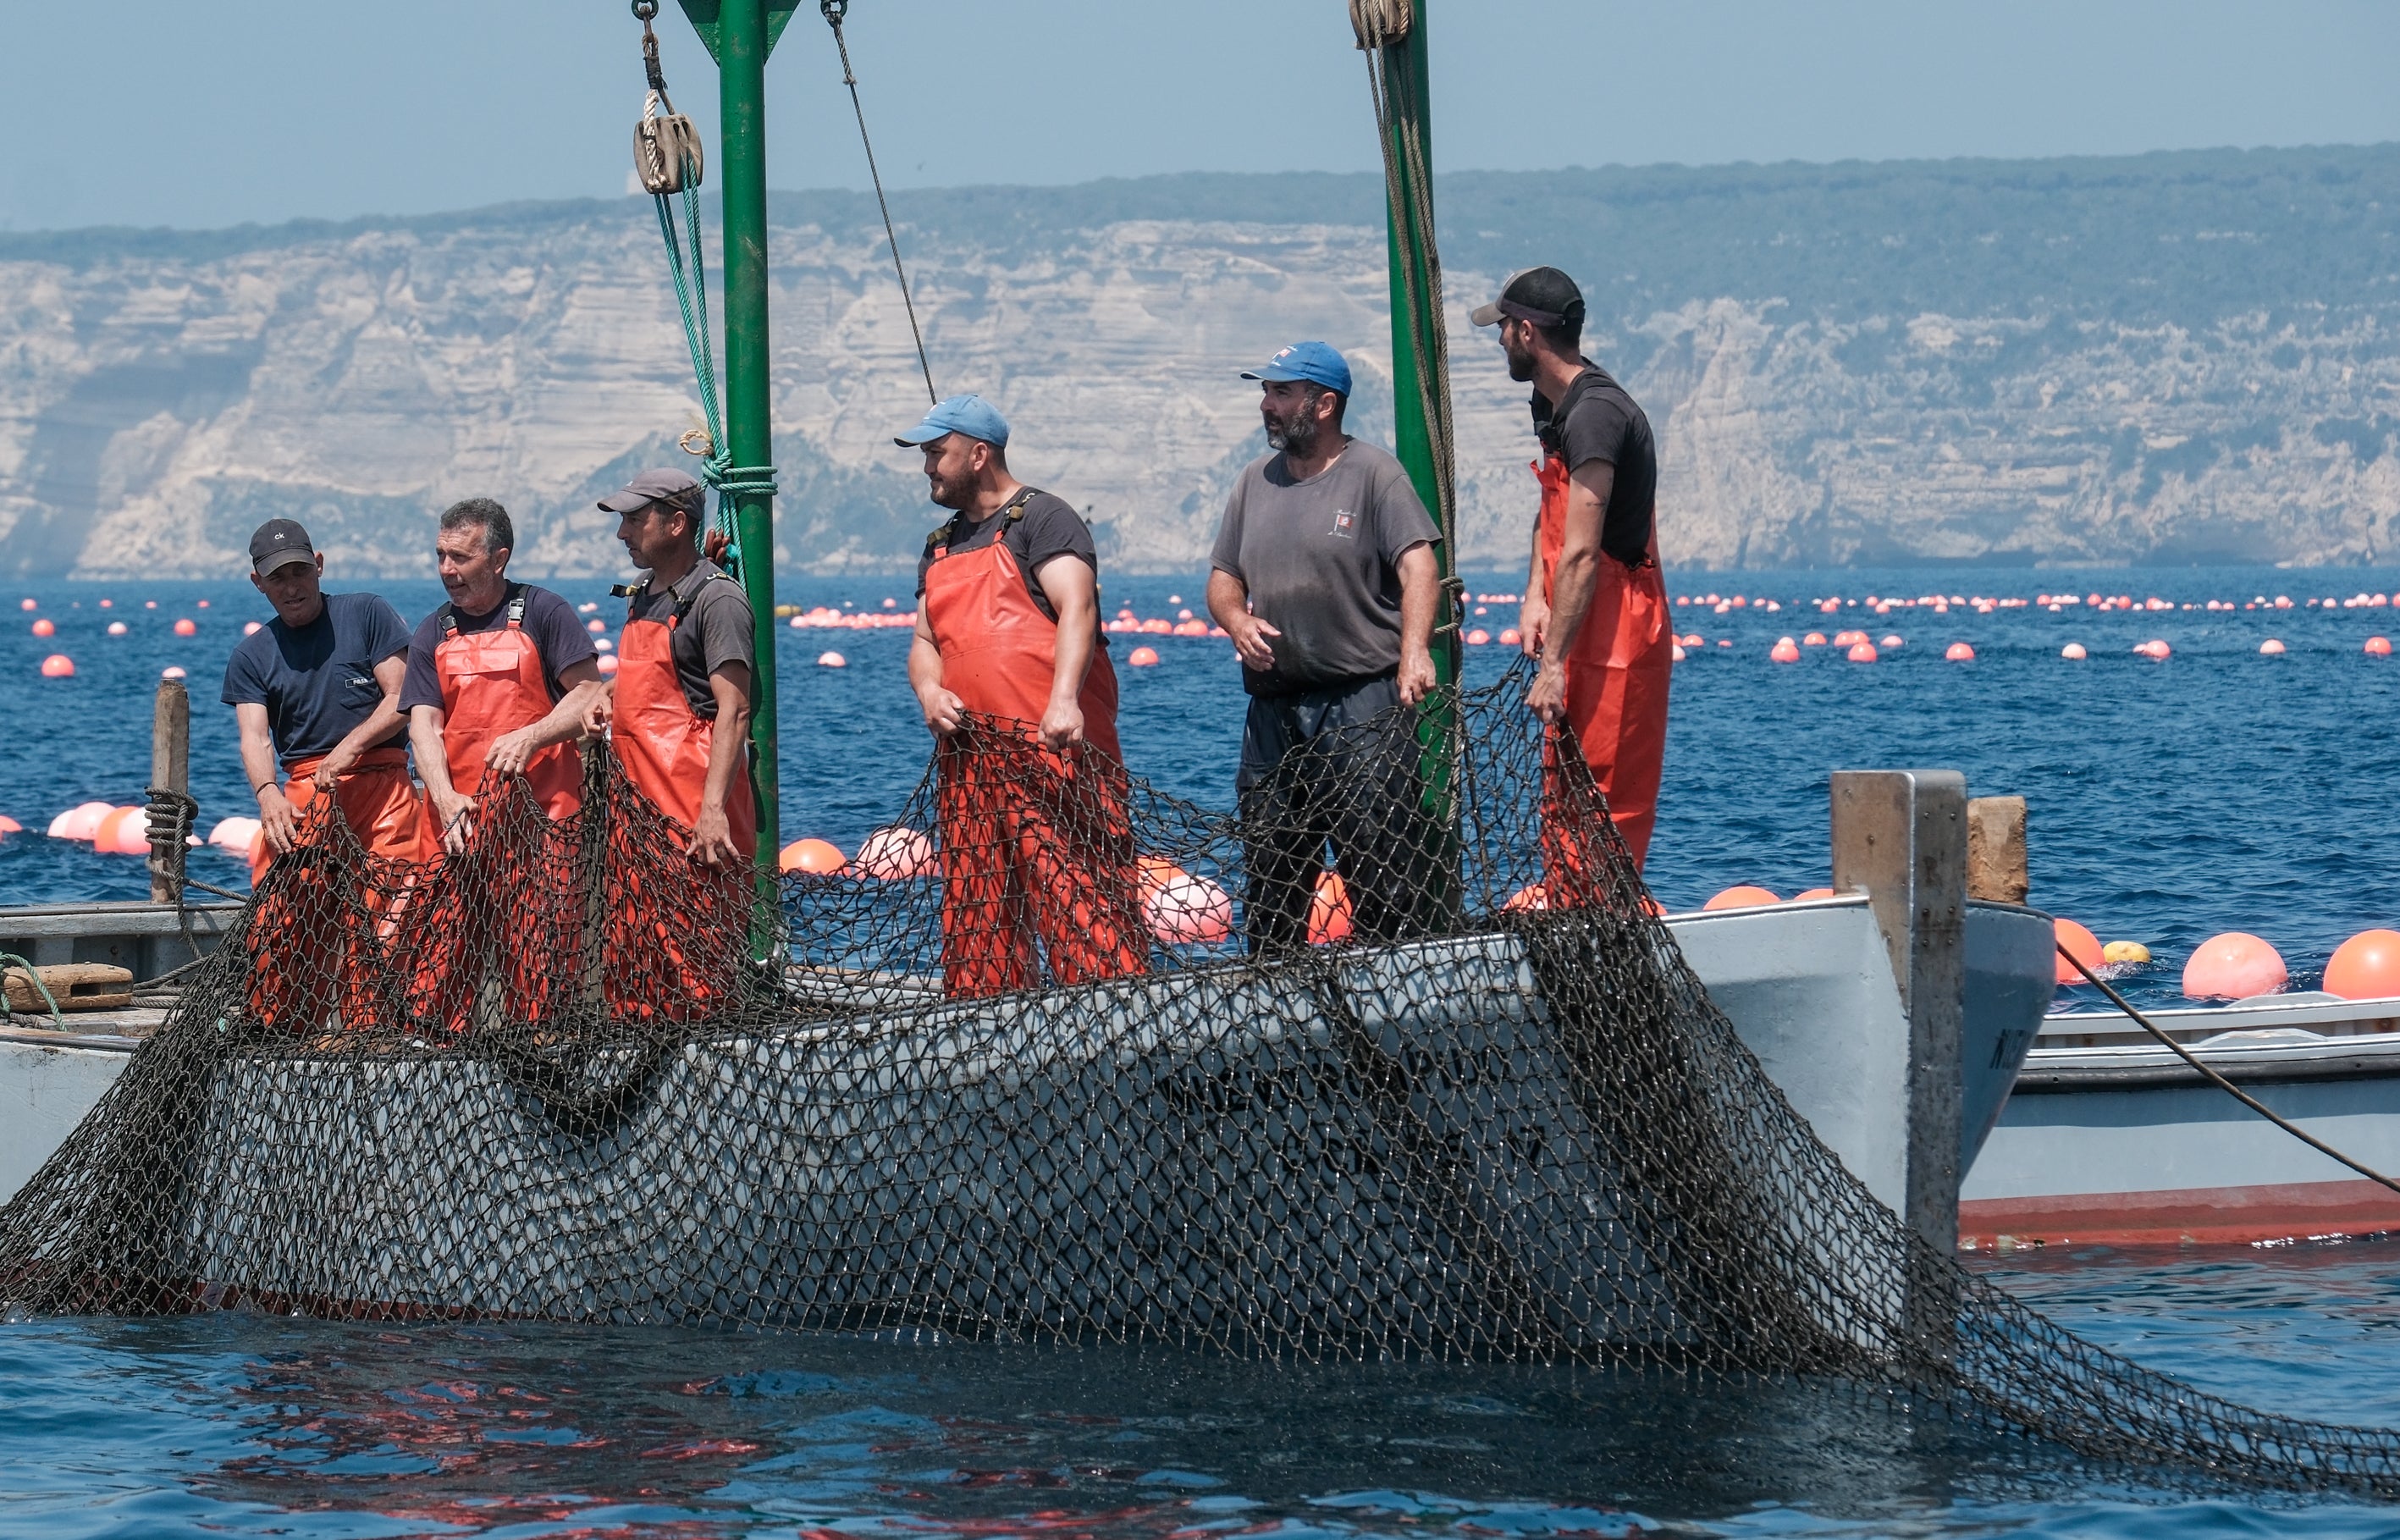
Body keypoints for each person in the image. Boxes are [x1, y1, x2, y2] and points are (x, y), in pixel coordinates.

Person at [901, 394, 1146, 999]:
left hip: (1054, 759)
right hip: (969, 770)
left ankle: (1115, 1022)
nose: (928, 466)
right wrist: (929, 690)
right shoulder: (939, 543)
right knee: (978, 924)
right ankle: (988, 1030)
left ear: (978, 454)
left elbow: (1077, 607)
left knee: (1085, 909)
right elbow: (924, 641)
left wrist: (1064, 699)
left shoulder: (1045, 518)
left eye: (937, 452)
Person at [1206, 342, 1443, 952]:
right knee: (1271, 876)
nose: (1267, 405)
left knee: (1382, 873)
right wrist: (1235, 622)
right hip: (1274, 711)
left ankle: (1398, 987)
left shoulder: (1374, 474)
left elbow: (1419, 566)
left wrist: (1415, 650)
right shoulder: (1253, 482)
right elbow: (1223, 578)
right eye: (1266, 392)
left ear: (1324, 404)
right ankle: (1274, 992)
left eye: (1281, 392)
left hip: (1361, 706)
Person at [1473, 266, 1672, 877]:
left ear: (1527, 332)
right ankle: (1569, 911)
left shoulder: (1595, 415)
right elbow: (1550, 504)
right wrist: (1535, 594)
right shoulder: (1551, 403)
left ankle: (1606, 919)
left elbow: (1583, 552)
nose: (1498, 338)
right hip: (1575, 609)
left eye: (1503, 327)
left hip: (1619, 624)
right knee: (1562, 793)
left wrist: (1554, 664)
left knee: (1606, 799)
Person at [399, 497, 602, 1030]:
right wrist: (444, 798)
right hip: (458, 821)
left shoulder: (544, 612)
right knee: (439, 950)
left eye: (461, 557)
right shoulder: (432, 630)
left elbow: (589, 694)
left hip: (542, 820)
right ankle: (433, 1052)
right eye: (440, 556)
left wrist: (533, 736)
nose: (447, 570)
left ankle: (540, 1048)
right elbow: (423, 726)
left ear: (499, 558)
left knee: (542, 949)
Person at [220, 518, 422, 1032]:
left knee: (388, 916)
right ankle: (282, 1032)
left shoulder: (367, 613)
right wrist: (267, 794)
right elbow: (254, 738)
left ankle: (374, 1033)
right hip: (306, 794)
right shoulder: (250, 655)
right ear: (258, 583)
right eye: (277, 578)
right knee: (281, 916)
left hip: (383, 786)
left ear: (320, 566)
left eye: (300, 572)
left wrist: (351, 746)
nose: (292, 587)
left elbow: (402, 698)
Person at [582, 469, 758, 1019]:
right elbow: (661, 676)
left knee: (697, 963)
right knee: (632, 958)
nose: (623, 533)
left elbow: (734, 709)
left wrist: (712, 813)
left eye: (635, 520)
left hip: (691, 818)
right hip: (637, 821)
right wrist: (608, 694)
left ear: (677, 524)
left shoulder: (718, 600)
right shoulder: (642, 597)